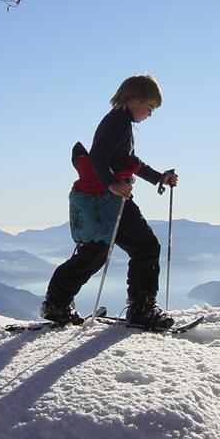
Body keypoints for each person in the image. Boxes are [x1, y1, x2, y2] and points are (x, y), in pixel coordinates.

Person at [41, 75, 179, 330]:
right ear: (135, 100)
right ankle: (142, 309)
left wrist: (159, 177)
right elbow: (98, 158)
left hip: (101, 198)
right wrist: (112, 185)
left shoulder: (119, 122)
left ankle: (57, 303)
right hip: (107, 199)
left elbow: (128, 160)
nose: (150, 114)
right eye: (149, 108)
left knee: (95, 252)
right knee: (144, 247)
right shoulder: (118, 123)